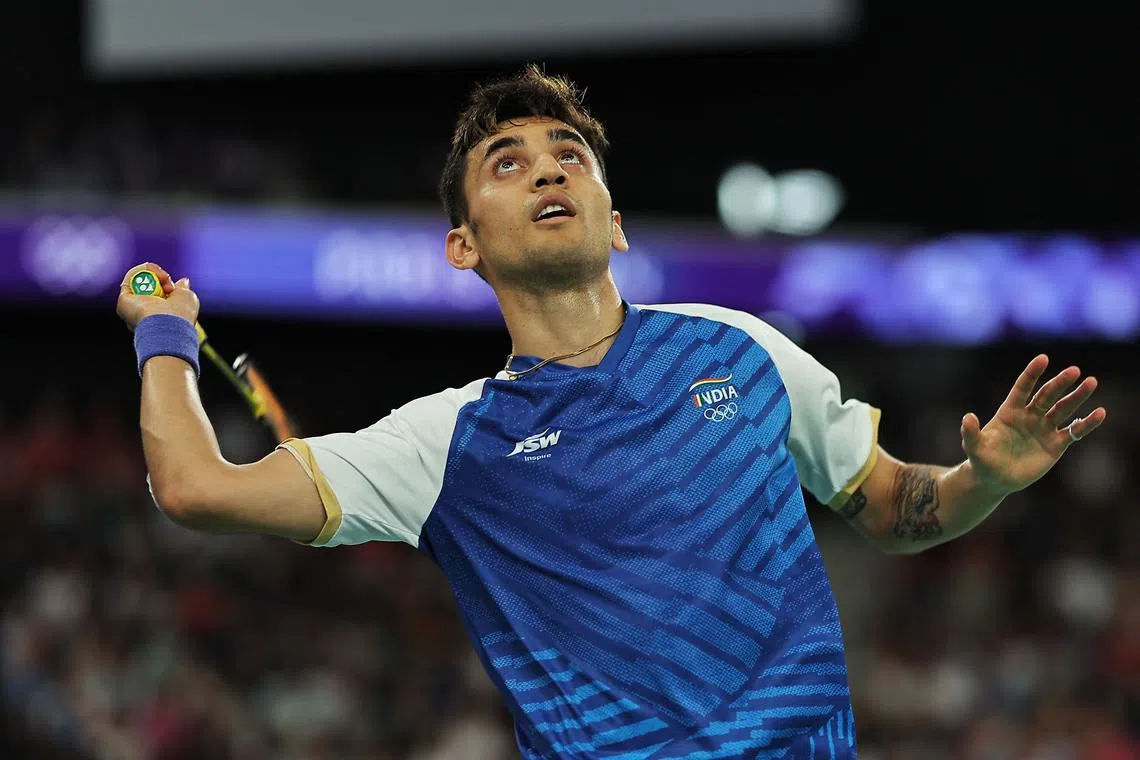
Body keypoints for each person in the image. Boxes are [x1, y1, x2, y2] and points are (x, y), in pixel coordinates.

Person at [116, 65, 1107, 759]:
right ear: (463, 246)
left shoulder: (742, 349)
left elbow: (892, 505)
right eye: (507, 161)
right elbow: (196, 488)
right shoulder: (442, 444)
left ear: (615, 219)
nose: (548, 170)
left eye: (569, 156)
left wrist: (980, 482)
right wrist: (164, 333)